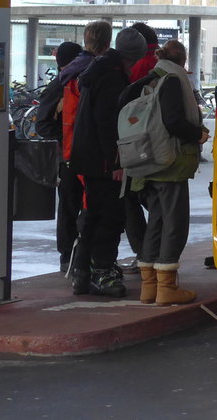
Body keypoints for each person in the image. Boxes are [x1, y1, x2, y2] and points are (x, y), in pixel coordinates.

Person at [122, 39, 210, 305]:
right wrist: (198, 134)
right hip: (169, 163)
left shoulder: (151, 77)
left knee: (157, 223)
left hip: (147, 160)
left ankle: (150, 287)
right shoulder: (172, 80)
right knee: (175, 223)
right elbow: (173, 121)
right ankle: (167, 288)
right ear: (183, 60)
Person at [67, 26, 147, 298]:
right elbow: (108, 123)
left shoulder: (97, 70)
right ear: (134, 56)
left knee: (93, 216)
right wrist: (116, 162)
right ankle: (102, 271)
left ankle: (83, 273)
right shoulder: (113, 78)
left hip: (88, 158)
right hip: (102, 162)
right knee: (110, 217)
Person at [34, 40, 89, 273]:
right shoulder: (62, 85)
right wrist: (68, 137)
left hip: (70, 157)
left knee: (70, 206)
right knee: (72, 205)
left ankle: (71, 255)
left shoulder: (66, 83)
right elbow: (44, 125)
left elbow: (42, 125)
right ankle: (70, 255)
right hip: (71, 157)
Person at [120, 22, 160, 269]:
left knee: (130, 201)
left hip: (136, 141)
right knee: (156, 199)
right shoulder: (163, 62)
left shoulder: (136, 65)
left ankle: (145, 253)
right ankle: (157, 251)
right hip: (159, 141)